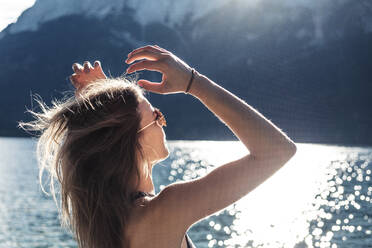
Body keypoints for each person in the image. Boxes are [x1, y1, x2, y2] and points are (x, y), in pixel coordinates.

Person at [19, 45, 297, 248]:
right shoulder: (163, 212)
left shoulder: (106, 221)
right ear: (131, 139)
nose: (163, 121)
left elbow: (106, 137)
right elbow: (277, 150)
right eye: (155, 115)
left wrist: (103, 101)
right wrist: (192, 81)